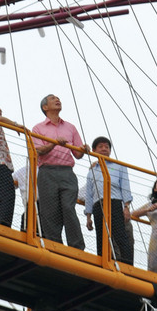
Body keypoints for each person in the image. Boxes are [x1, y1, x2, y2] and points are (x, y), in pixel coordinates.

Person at [31, 94, 86, 248]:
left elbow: (78, 154)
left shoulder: (70, 127)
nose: (57, 100)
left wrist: (83, 149)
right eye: (52, 99)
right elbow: (39, 150)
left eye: (58, 98)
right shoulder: (38, 128)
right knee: (50, 211)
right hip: (47, 172)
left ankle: (77, 246)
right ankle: (54, 245)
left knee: (68, 208)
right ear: (45, 107)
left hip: (67, 172)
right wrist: (54, 144)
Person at [84, 136, 134, 264]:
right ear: (94, 150)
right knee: (101, 236)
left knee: (119, 234)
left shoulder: (119, 166)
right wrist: (88, 216)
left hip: (114, 202)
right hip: (98, 205)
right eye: (100, 147)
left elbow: (125, 187)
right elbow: (89, 194)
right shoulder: (92, 171)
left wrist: (126, 207)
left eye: (107, 147)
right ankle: (102, 263)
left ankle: (127, 265)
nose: (104, 149)